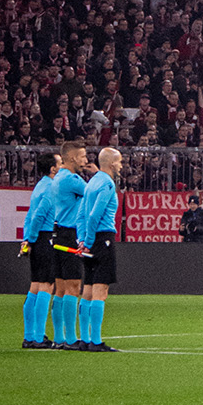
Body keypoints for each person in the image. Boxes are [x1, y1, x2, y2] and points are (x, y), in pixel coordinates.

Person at [74, 147, 123, 352]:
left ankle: (85, 338)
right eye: (119, 162)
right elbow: (94, 215)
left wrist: (82, 239)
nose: (121, 165)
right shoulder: (107, 183)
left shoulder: (91, 182)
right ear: (111, 164)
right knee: (101, 291)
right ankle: (96, 341)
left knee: (88, 290)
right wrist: (91, 240)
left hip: (90, 240)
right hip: (102, 239)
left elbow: (80, 215)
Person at [48, 141, 90, 351]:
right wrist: (100, 173)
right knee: (73, 287)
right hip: (69, 233)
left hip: (58, 232)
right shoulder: (72, 180)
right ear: (73, 158)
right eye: (83, 156)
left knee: (61, 288)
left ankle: (59, 337)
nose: (86, 161)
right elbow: (94, 192)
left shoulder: (58, 178)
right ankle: (71, 339)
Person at [18, 152, 60, 349]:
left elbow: (29, 215)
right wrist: (33, 239)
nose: (62, 166)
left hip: (36, 239)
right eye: (60, 163)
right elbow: (40, 215)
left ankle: (30, 336)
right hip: (45, 238)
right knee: (46, 285)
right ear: (52, 168)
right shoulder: (52, 187)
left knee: (35, 286)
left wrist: (27, 240)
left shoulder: (39, 186)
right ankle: (38, 336)